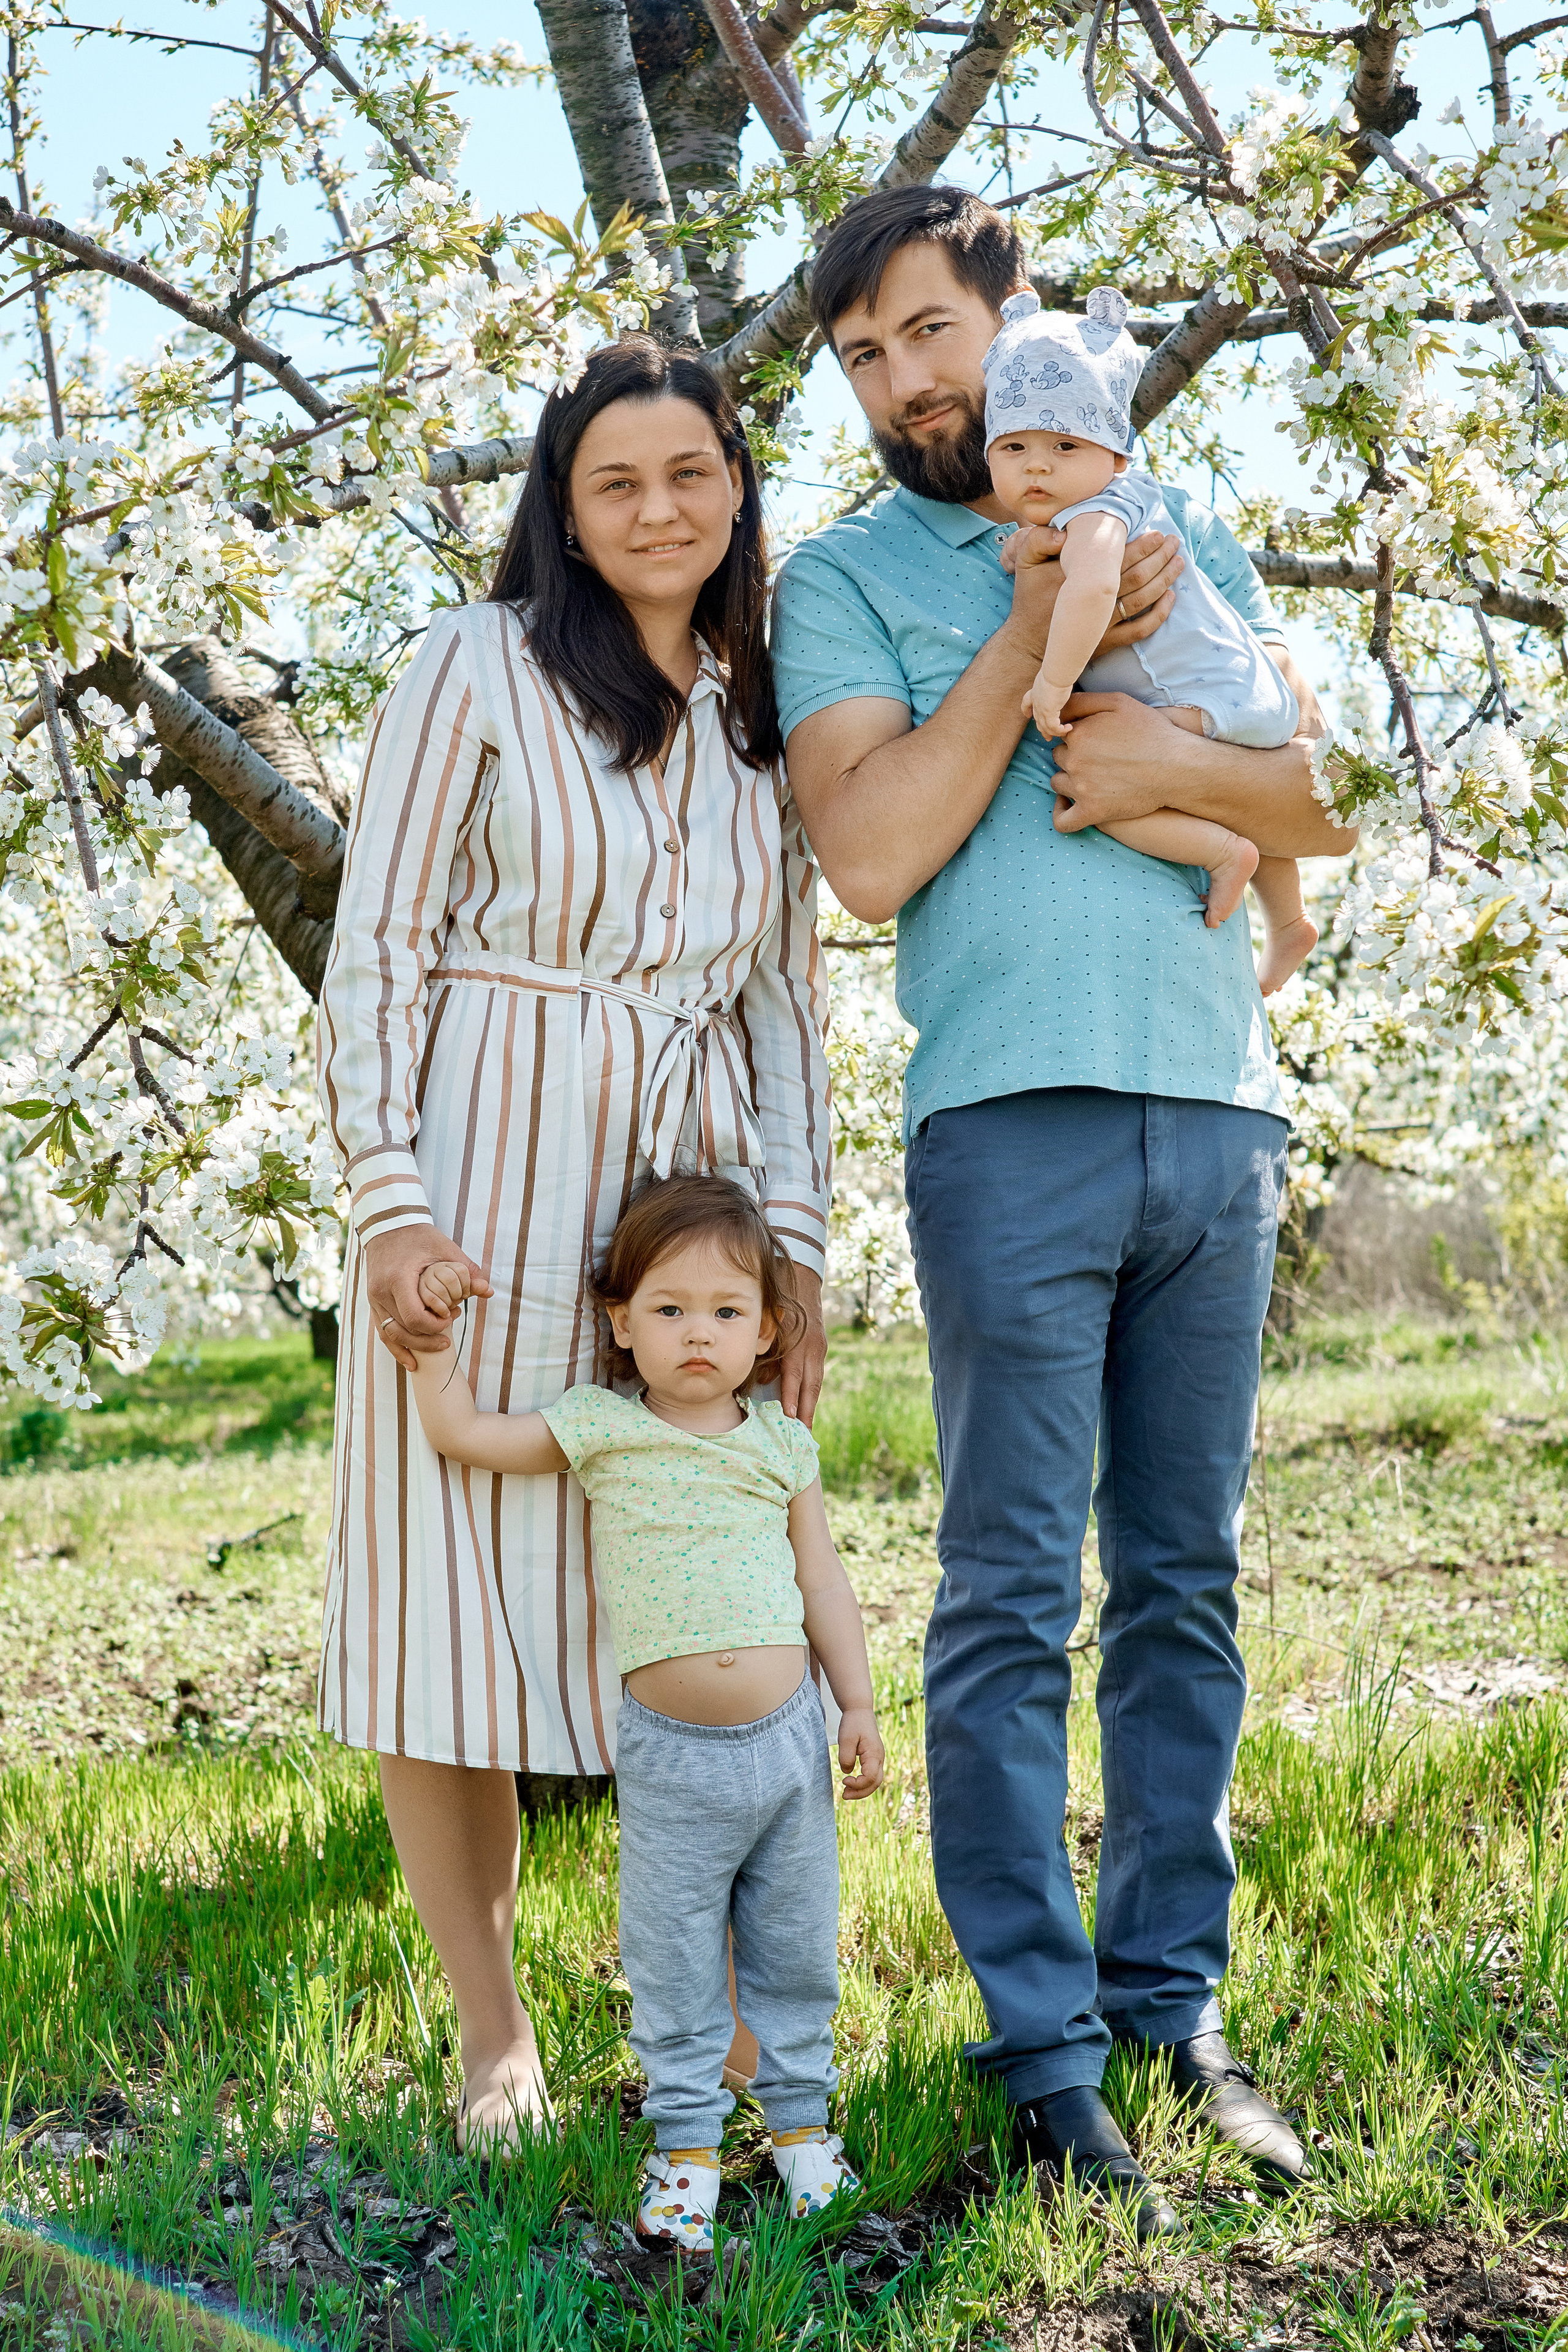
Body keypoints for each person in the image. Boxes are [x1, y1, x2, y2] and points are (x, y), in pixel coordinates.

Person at [771, 183, 1357, 2239]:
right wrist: (1043, 612)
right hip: (1005, 1121)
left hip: (1216, 1111)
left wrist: (1177, 747)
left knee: (1183, 1583)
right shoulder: (841, 585)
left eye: (928, 331)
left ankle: (1172, 2007)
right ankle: (1040, 2052)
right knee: (1014, 1591)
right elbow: (872, 850)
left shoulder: (1186, 508)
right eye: (861, 356)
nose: (904, 380)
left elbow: (1314, 793)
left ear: (1017, 322)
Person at [316, 337, 832, 2156]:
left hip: (674, 1198)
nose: (656, 508)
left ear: (735, 490)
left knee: (683, 1575)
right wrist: (389, 1200)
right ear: (562, 501)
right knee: (446, 1590)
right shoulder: (476, 662)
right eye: (614, 480)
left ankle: (723, 2004)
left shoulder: (762, 707)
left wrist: (794, 1244)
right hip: (480, 1151)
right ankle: (493, 2028)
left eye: (689, 472)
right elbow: (376, 941)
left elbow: (779, 997)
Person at [410, 1175, 883, 2250]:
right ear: (621, 1324)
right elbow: (465, 1437)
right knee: (670, 1956)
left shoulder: (780, 1446)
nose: (698, 1335)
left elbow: (823, 1582)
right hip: (672, 1757)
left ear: (768, 1330)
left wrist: (855, 1702)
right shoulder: (600, 1429)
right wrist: (431, 1353)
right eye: (668, 1311)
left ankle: (805, 2128)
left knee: (797, 1949)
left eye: (726, 1313)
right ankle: (685, 2148)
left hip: (792, 1746)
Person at [985, 287, 1317, 997]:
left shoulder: (1098, 516)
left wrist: (1051, 682)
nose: (1037, 467)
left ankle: (1224, 854)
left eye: (1064, 446)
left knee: (1098, 777)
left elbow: (1090, 592)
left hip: (1194, 701)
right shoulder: (1125, 500)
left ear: (1112, 452)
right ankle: (1288, 921)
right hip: (1239, 693)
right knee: (1230, 782)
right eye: (1014, 447)